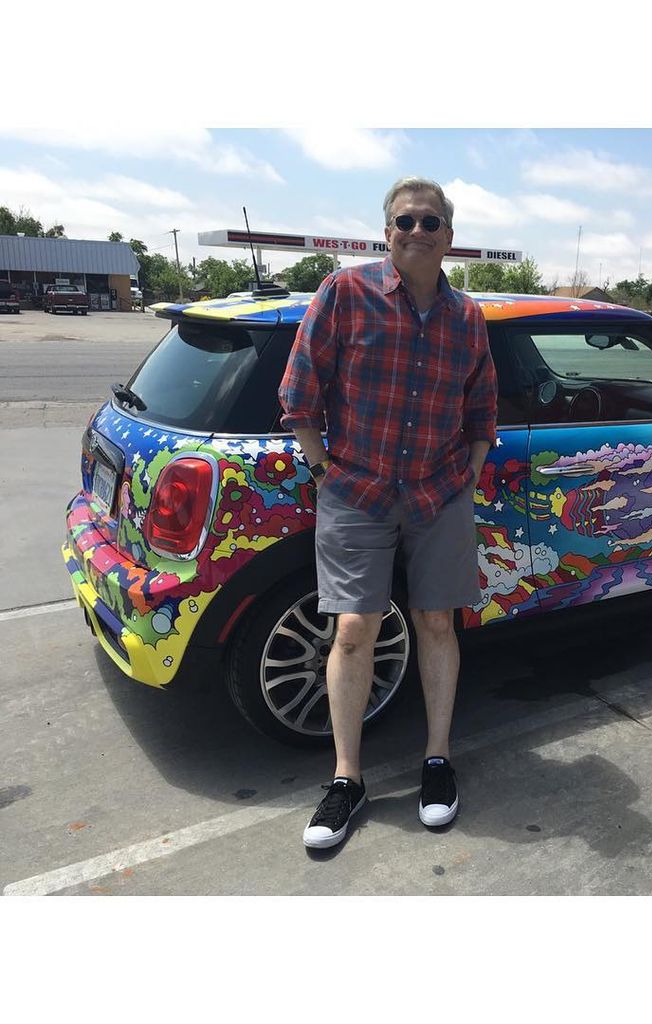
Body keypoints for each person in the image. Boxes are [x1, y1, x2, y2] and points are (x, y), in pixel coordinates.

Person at [279, 177, 497, 850]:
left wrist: (467, 474)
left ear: (448, 238)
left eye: (431, 221)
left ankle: (437, 760)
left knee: (437, 622)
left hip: (438, 492)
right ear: (388, 231)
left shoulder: (467, 319)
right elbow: (298, 397)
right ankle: (347, 779)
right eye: (405, 219)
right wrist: (325, 473)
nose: (418, 229)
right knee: (352, 630)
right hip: (358, 492)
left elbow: (483, 410)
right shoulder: (343, 295)